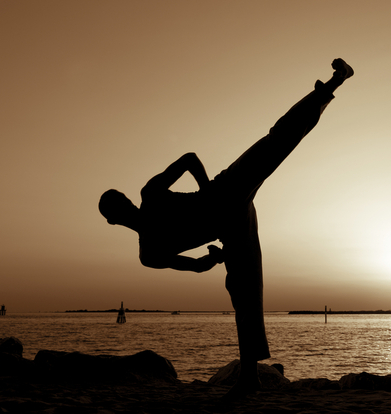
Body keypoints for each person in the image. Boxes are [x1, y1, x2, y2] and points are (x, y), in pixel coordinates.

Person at [98, 58, 354, 397]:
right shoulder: (149, 253)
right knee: (244, 292)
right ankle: (250, 377)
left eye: (122, 198)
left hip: (226, 189)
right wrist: (215, 258)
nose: (126, 204)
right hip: (232, 227)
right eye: (118, 206)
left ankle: (333, 84)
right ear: (113, 220)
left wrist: (206, 190)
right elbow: (195, 266)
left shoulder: (151, 194)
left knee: (275, 141)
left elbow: (190, 158)